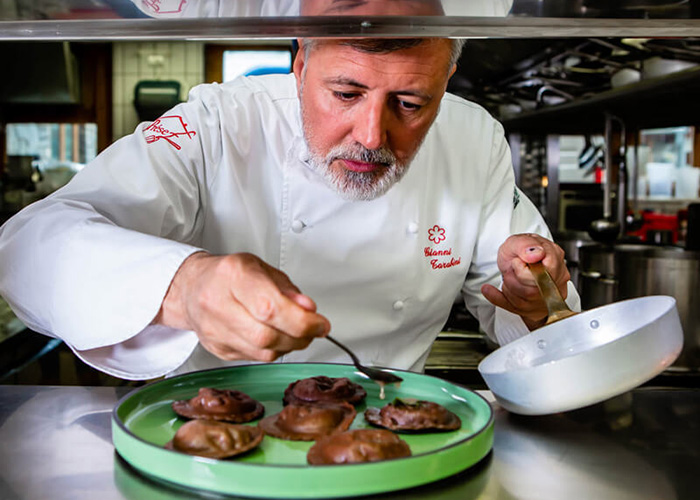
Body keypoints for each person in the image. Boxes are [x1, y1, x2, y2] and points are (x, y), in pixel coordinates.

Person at [0, 1, 579, 381]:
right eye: (346, 93)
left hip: (394, 435)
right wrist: (184, 285)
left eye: (410, 103)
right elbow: (28, 247)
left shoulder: (473, 139)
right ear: (300, 63)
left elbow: (544, 312)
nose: (371, 136)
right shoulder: (218, 124)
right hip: (216, 438)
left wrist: (536, 303)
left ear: (445, 82)